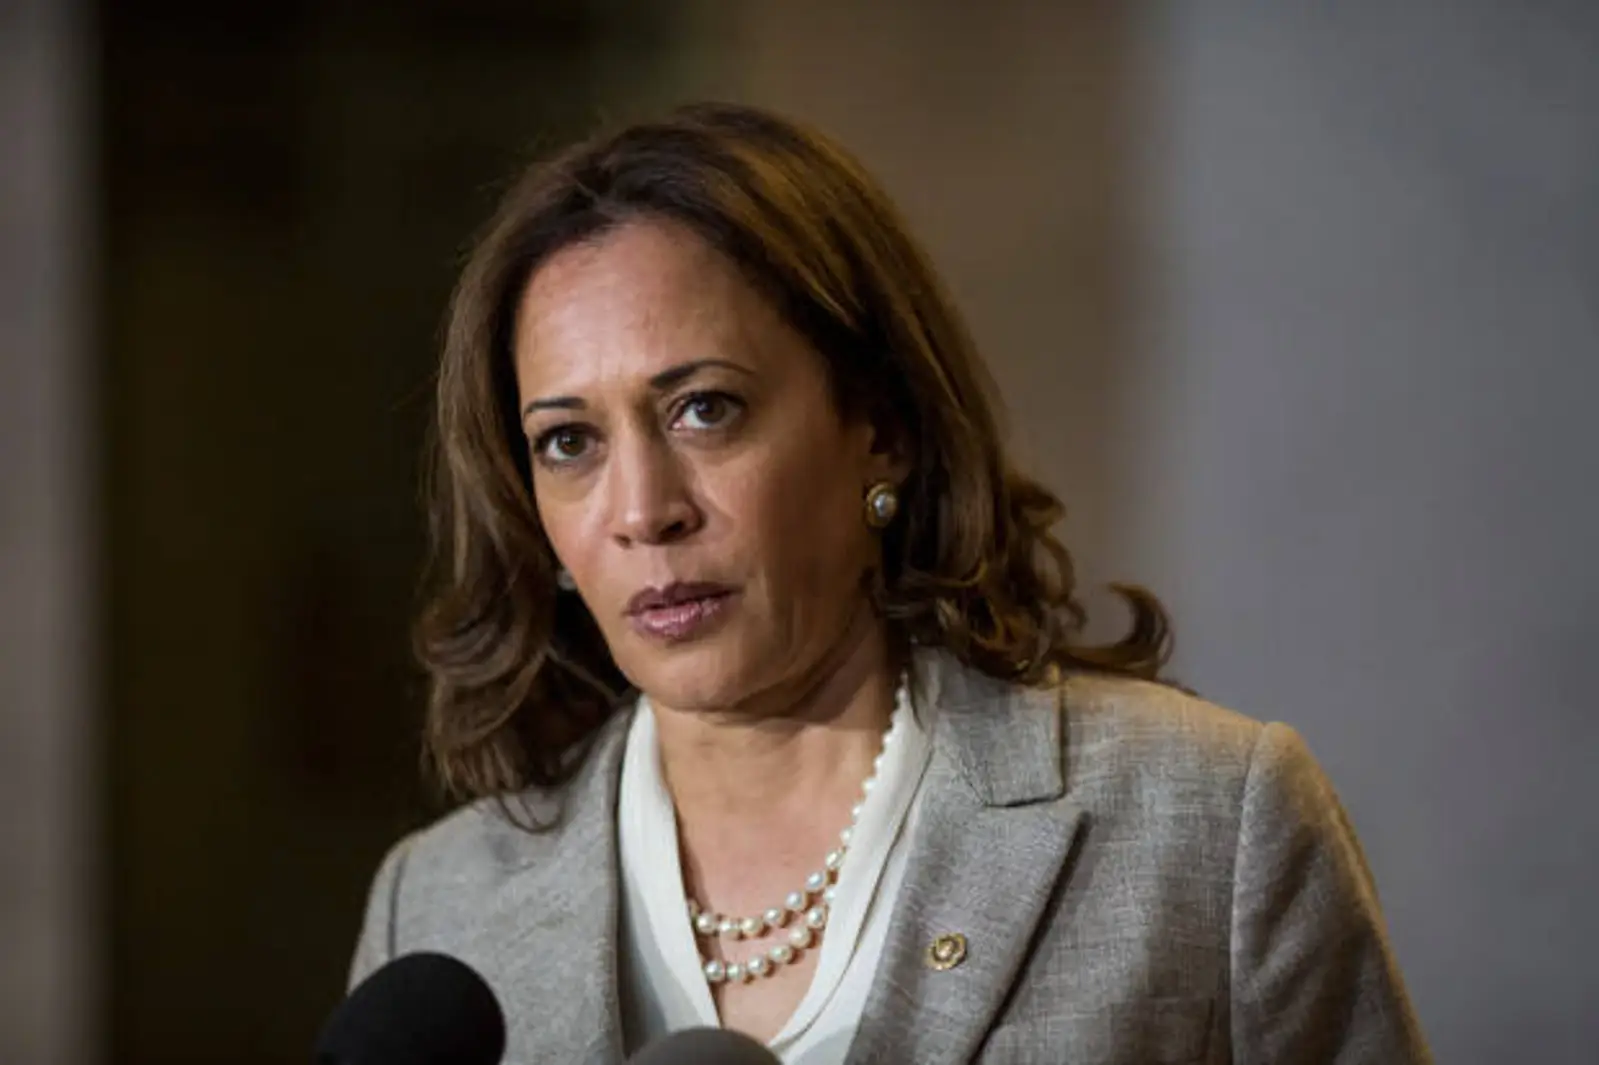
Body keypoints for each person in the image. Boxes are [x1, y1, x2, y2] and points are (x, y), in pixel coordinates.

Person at [346, 102, 1432, 1064]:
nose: (642, 509)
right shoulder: (438, 905)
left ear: (882, 428)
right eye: (569, 442)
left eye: (704, 409)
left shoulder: (1208, 822)